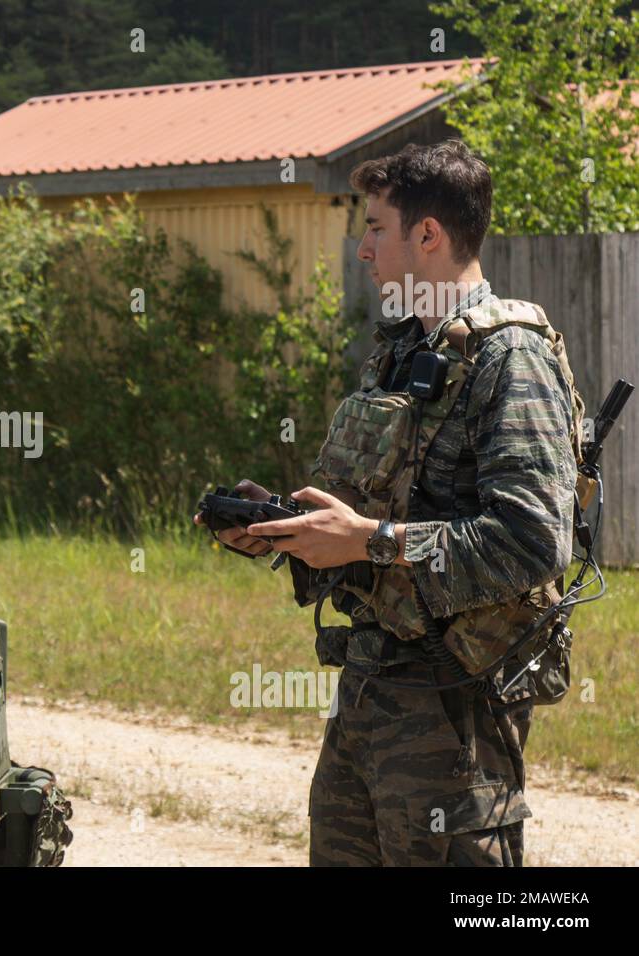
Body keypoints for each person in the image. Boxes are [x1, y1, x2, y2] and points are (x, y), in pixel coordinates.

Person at [200, 140, 579, 866]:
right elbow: (369, 517)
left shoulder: (512, 359)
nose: (363, 249)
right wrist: (284, 527)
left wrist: (369, 540)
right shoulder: (405, 351)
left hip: (455, 707)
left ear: (428, 235)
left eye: (376, 227)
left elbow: (531, 544)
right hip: (372, 690)